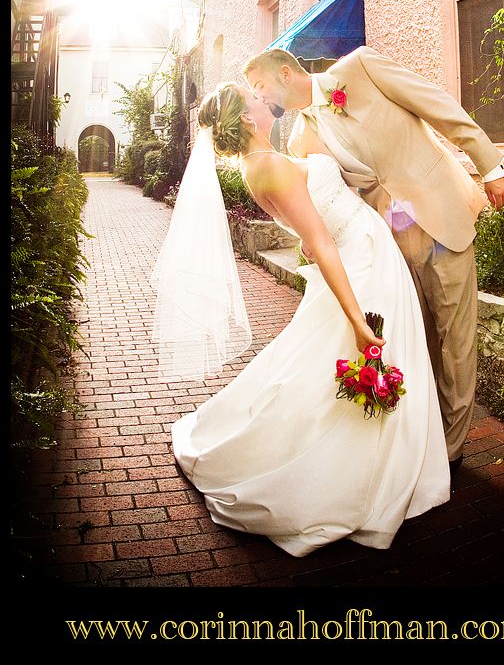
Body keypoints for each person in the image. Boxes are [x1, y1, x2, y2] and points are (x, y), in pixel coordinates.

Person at [156, 81, 450, 558]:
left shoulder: (264, 163)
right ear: (248, 118)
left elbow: (310, 240)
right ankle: (344, 479)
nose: (260, 95)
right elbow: (322, 240)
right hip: (362, 268)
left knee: (307, 367)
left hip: (363, 256)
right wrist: (357, 319)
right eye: (252, 95)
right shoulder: (269, 166)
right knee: (337, 367)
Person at [243, 46, 504, 473]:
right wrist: (311, 240)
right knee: (419, 340)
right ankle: (421, 437)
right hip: (388, 243)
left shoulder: (361, 67)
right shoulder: (299, 138)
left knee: (456, 340)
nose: (260, 97)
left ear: (288, 72)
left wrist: (490, 165)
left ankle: (451, 451)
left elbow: (436, 104)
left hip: (441, 215)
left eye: (260, 87)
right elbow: (326, 197)